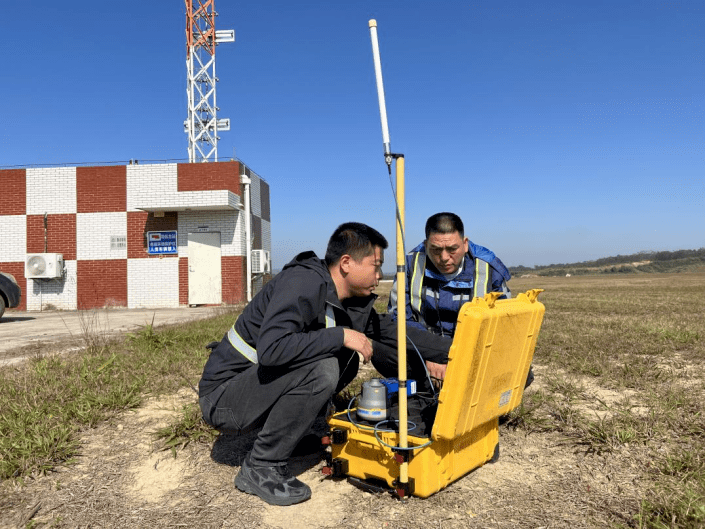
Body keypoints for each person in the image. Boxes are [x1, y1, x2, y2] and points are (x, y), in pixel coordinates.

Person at [198, 222, 448, 506]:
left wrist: (454, 350)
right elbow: (272, 350)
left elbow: (395, 332)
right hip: (223, 401)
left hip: (253, 392)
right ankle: (261, 466)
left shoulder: (348, 299)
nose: (380, 275)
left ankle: (290, 435)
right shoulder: (303, 282)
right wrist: (341, 334)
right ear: (346, 263)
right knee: (323, 369)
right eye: (375, 266)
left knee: (345, 360)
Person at [372, 212, 530, 388]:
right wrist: (430, 354)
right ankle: (430, 389)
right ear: (426, 245)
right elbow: (399, 318)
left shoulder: (489, 269)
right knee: (381, 350)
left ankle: (461, 389)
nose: (444, 257)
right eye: (436, 250)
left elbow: (504, 326)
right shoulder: (409, 266)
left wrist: (454, 358)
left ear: (465, 244)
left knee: (521, 369)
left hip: (472, 353)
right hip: (424, 350)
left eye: (452, 249)